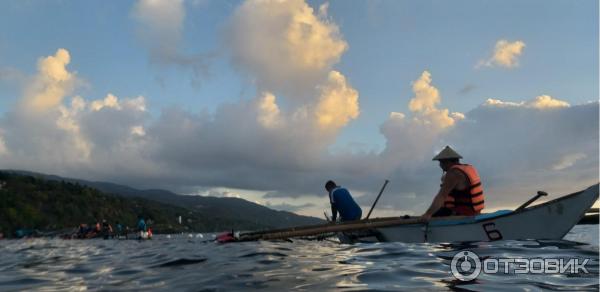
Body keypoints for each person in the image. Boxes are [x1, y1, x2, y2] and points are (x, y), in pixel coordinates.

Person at [421, 146, 485, 221]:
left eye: (441, 162)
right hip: (475, 212)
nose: (440, 165)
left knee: (430, 215)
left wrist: (428, 214)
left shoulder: (453, 173)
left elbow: (441, 196)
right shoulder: (467, 168)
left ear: (447, 162)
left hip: (463, 213)